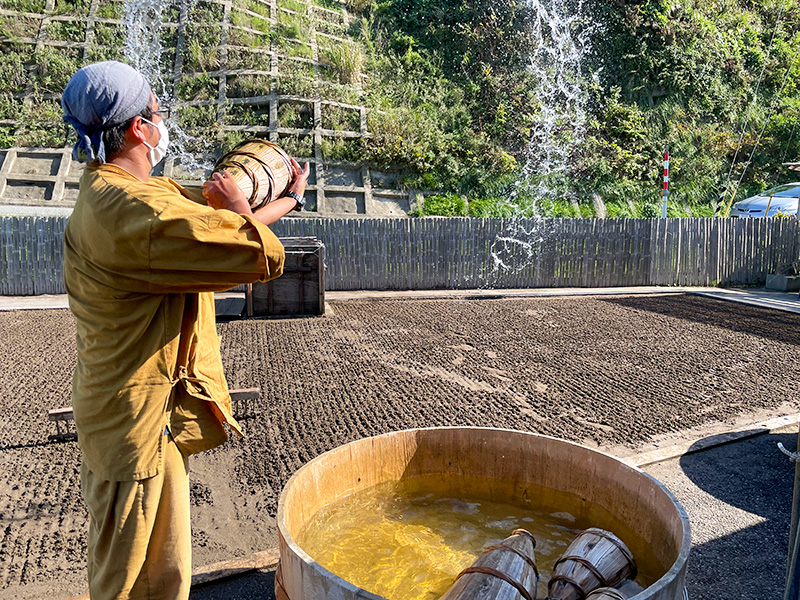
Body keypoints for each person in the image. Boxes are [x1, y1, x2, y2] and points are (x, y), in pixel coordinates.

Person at [60, 60, 309, 600]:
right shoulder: (137, 211)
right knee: (127, 581)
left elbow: (204, 222)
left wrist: (283, 198)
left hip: (144, 418)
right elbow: (243, 246)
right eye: (155, 113)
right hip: (134, 426)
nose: (159, 122)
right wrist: (246, 205)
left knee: (165, 568)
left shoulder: (114, 189)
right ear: (135, 129)